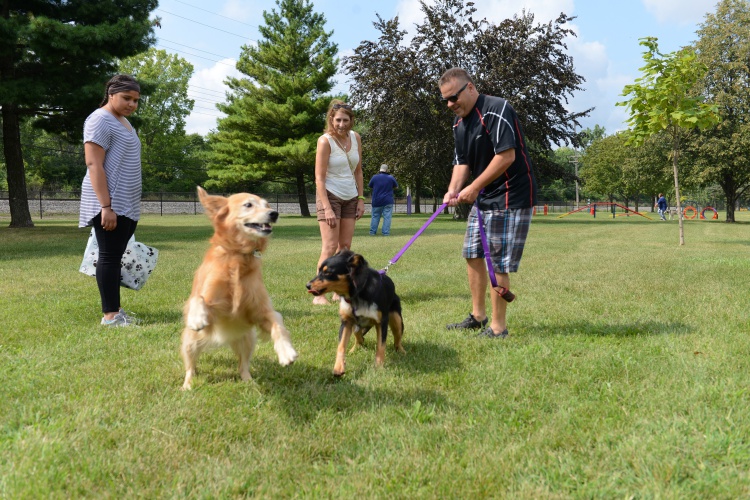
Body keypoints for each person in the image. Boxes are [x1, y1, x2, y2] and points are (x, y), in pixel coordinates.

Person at [439, 68, 537, 339]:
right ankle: (479, 316)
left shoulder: (497, 109)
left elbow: (506, 156)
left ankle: (498, 327)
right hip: (484, 197)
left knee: (497, 262)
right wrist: (452, 190)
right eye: (444, 100)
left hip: (510, 195)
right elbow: (461, 163)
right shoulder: (459, 124)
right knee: (472, 253)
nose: (450, 105)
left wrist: (473, 187)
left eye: (453, 97)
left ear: (470, 88)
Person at [78, 74, 143, 326]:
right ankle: (111, 316)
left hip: (126, 202)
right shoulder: (100, 119)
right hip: (109, 201)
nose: (132, 104)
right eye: (127, 98)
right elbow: (94, 164)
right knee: (109, 256)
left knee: (115, 255)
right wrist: (106, 205)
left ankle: (115, 310)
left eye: (136, 100)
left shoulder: (124, 122)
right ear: (111, 94)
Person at [313, 99, 365, 305]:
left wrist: (361, 198)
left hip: (350, 196)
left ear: (351, 120)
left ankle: (339, 290)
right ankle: (319, 294)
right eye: (337, 120)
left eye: (345, 120)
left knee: (344, 247)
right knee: (329, 246)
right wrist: (326, 207)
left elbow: (358, 171)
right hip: (330, 195)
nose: (341, 124)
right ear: (331, 120)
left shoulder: (356, 138)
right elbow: (319, 178)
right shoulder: (325, 141)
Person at [368, 164, 398, 236]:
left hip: (377, 200)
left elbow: (370, 186)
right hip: (388, 200)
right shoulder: (390, 178)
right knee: (387, 217)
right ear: (387, 170)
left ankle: (372, 232)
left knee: (375, 216)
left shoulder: (374, 177)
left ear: (380, 169)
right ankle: (385, 233)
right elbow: (396, 187)